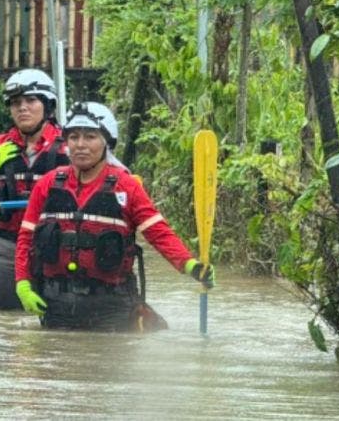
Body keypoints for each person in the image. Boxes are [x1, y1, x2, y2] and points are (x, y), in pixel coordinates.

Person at [14, 101, 215, 332]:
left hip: (112, 307)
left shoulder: (127, 186)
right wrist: (22, 283)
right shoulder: (47, 184)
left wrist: (190, 265)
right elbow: (26, 238)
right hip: (57, 304)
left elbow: (159, 234)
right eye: (74, 137)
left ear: (106, 143)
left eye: (90, 137)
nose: (80, 145)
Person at [0, 68, 69, 311]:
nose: (23, 108)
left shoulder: (73, 144)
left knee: (58, 318)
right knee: (6, 319)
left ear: (47, 105)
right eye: (16, 103)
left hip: (56, 245)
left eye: (31, 100)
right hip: (7, 245)